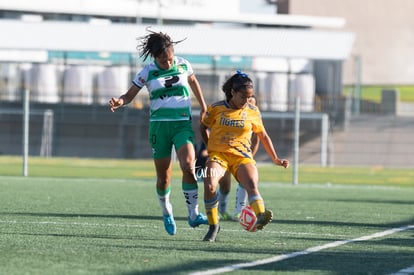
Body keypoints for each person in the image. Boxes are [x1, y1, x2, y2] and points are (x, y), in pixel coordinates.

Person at [109, 29, 208, 236]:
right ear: (155, 57)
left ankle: (193, 214)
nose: (168, 63)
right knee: (164, 177)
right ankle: (166, 211)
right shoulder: (147, 72)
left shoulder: (183, 64)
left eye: (170, 58)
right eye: (163, 60)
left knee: (189, 165)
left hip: (182, 124)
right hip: (159, 127)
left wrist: (204, 107)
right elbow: (129, 95)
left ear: (173, 52)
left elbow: (193, 81)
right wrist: (120, 102)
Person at [200, 70, 289, 242]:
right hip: (219, 156)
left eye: (249, 97)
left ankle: (261, 215)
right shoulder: (216, 108)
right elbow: (203, 126)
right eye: (243, 97)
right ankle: (214, 226)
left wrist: (275, 159)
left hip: (242, 157)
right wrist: (209, 146)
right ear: (232, 92)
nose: (246, 101)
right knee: (210, 185)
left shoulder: (253, 111)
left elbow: (263, 136)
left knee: (251, 184)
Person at [217, 95, 259, 221]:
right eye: (247, 101)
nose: (248, 103)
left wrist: (249, 157)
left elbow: (256, 140)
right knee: (225, 185)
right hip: (225, 154)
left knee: (245, 181)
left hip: (242, 156)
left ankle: (239, 212)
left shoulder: (254, 117)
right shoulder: (231, 115)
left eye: (252, 102)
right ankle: (222, 210)